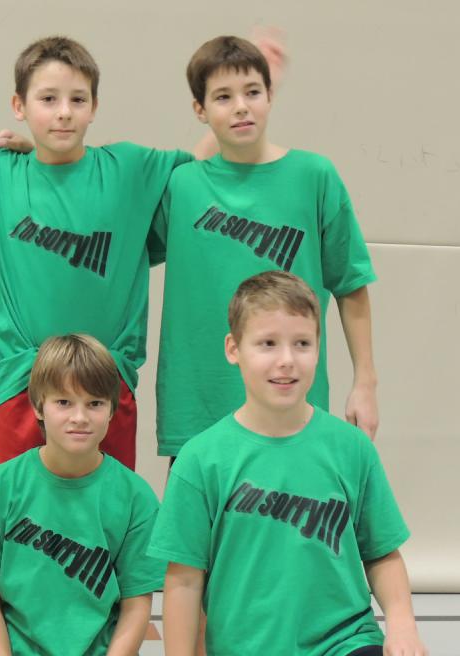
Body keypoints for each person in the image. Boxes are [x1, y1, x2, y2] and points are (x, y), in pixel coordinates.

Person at [0, 37, 192, 470]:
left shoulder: (129, 170)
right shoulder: (0, 172)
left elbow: (200, 174)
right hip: (22, 385)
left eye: (77, 99)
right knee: (17, 507)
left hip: (105, 388)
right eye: (48, 99)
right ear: (19, 105)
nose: (63, 111)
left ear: (94, 106)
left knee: (106, 509)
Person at [149, 271, 426, 656]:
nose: (287, 361)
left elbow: (382, 552)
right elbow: (183, 581)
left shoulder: (352, 448)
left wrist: (402, 624)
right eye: (267, 344)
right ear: (233, 349)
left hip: (343, 642)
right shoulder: (200, 460)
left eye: (302, 344)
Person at [152, 34, 378, 462]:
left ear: (270, 96)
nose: (241, 106)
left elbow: (351, 284)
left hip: (290, 406)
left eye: (252, 92)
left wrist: (365, 384)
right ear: (199, 110)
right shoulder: (181, 186)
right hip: (199, 407)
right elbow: (117, 234)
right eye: (223, 97)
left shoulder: (314, 176)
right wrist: (34, 155)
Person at [0, 334, 164, 655]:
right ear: (38, 407)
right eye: (64, 402)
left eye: (95, 403)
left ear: (111, 409)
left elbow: (136, 604)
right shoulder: (1, 486)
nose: (80, 417)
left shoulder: (137, 499)